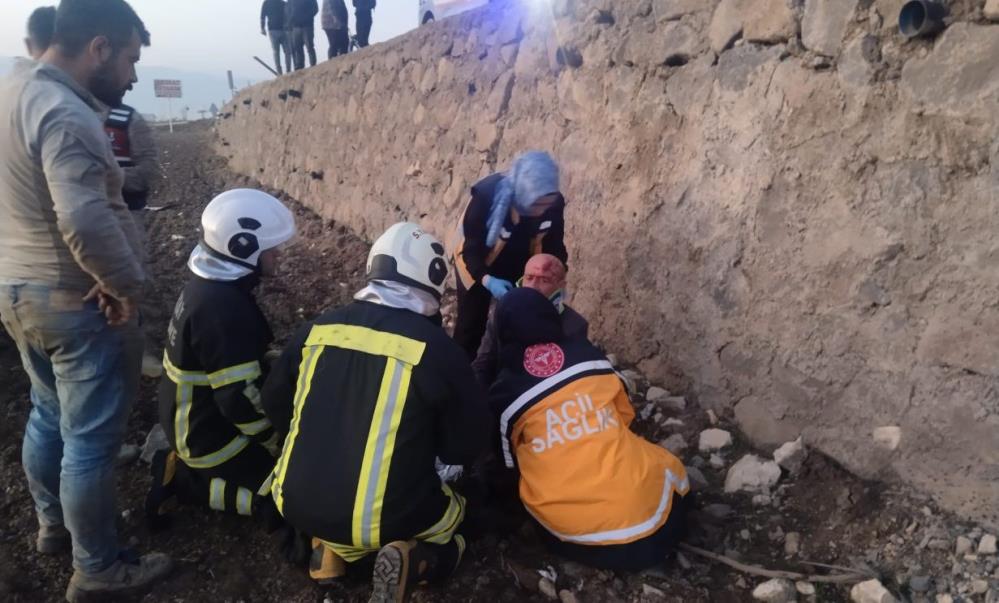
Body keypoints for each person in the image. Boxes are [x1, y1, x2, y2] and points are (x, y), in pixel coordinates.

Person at [0, 1, 172, 601]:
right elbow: (82, 215)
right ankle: (96, 568)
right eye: (128, 58)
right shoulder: (64, 110)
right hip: (75, 298)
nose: (130, 76)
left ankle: (53, 525)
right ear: (98, 48)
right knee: (91, 440)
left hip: (16, 288)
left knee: (48, 410)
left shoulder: (11, 89)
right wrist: (123, 285)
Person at [261, 222, 489, 601]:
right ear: (432, 280)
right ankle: (420, 563)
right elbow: (461, 449)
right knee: (468, 514)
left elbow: (275, 405)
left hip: (292, 500)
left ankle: (328, 551)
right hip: (383, 517)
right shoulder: (438, 351)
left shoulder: (317, 329)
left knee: (344, 506)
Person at [488, 288, 692, 570]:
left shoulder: (504, 393)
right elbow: (624, 414)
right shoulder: (589, 356)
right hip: (659, 515)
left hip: (582, 534)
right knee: (652, 456)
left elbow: (507, 464)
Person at [146, 189, 294, 526]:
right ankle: (184, 482)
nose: (278, 255)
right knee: (288, 499)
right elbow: (238, 397)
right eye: (272, 248)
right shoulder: (223, 310)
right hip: (208, 437)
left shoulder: (210, 289)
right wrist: (276, 441)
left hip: (196, 418)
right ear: (243, 247)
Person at [453, 150, 569, 358]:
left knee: (516, 322)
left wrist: (558, 276)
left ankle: (504, 373)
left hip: (519, 260)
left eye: (546, 205)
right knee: (471, 325)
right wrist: (487, 281)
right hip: (477, 262)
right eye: (536, 204)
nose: (542, 211)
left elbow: (554, 244)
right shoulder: (485, 197)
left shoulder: (553, 203)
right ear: (523, 193)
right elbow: (471, 249)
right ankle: (458, 372)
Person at [105, 87, 163, 377]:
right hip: (71, 215)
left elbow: (148, 171)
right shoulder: (66, 115)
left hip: (125, 215)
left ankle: (145, 349)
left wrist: (105, 175)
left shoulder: (126, 120)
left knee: (137, 279)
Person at [472, 253, 587, 387]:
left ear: (561, 286)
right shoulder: (502, 314)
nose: (533, 286)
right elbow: (483, 363)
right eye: (529, 278)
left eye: (544, 280)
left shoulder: (574, 326)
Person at [261, 0, 291, 75]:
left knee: (286, 52)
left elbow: (288, 15)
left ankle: (288, 71)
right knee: (277, 52)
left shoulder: (283, 3)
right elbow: (262, 16)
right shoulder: (266, 3)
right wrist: (262, 28)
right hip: (273, 30)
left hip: (283, 30)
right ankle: (280, 72)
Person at [289, 0, 319, 70]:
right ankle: (300, 66)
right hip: (296, 26)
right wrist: (290, 22)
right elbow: (290, 10)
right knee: (297, 48)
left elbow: (315, 9)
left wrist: (307, 17)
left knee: (309, 46)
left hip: (307, 26)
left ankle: (313, 65)